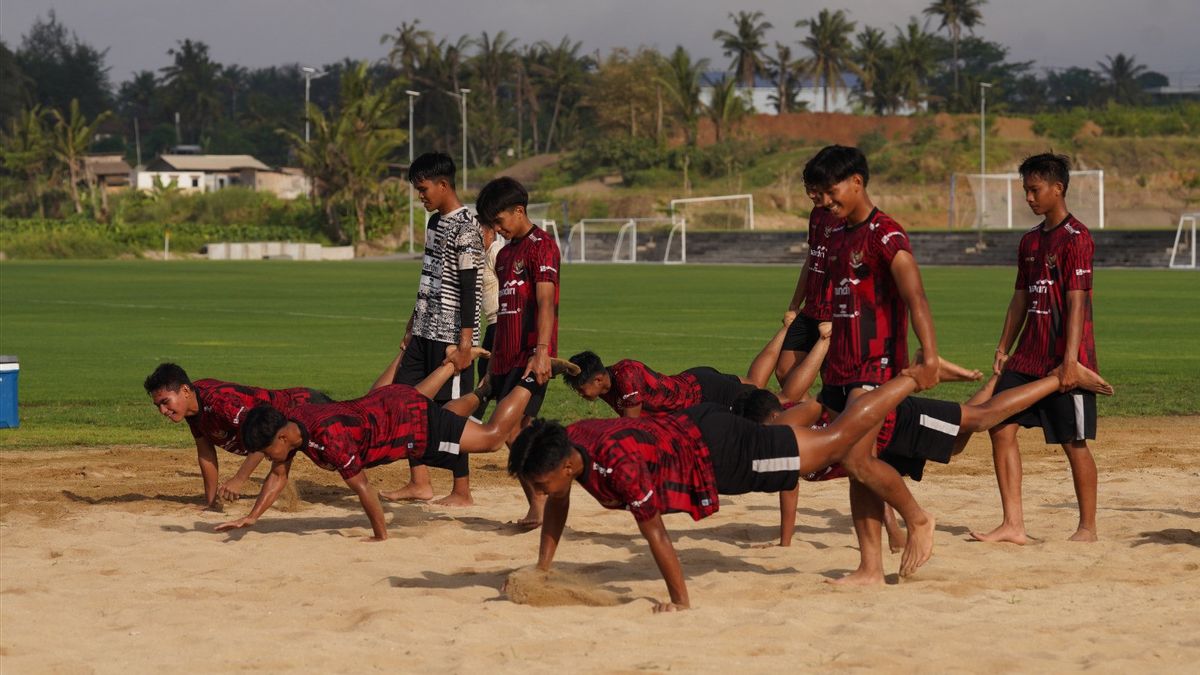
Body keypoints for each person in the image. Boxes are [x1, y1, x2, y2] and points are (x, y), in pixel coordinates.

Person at [511, 369, 939, 612]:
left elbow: (657, 535)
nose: (543, 492)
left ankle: (912, 381)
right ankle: (896, 387)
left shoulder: (619, 467)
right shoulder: (570, 439)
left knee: (840, 443)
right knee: (839, 447)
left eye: (542, 484)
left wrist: (679, 602)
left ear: (566, 465)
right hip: (699, 428)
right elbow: (559, 504)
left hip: (721, 452)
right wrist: (542, 567)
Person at [736, 362, 1112, 582]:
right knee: (958, 442)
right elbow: (864, 475)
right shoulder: (790, 455)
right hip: (879, 443)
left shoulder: (785, 422)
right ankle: (991, 383)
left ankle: (1060, 378)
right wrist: (895, 534)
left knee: (978, 422)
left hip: (892, 420)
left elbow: (822, 409)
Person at [215, 353, 560, 540]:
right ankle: (485, 390)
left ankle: (528, 376)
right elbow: (277, 477)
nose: (266, 459)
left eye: (264, 451)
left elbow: (365, 489)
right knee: (448, 422)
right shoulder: (293, 423)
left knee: (491, 438)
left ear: (281, 438)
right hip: (392, 406)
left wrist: (380, 535)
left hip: (410, 421)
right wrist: (251, 517)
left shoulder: (329, 438)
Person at [804, 144, 945, 581]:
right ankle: (869, 565)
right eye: (821, 195)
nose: (826, 202)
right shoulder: (838, 235)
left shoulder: (886, 235)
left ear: (857, 181)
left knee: (857, 458)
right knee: (852, 464)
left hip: (876, 365)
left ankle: (917, 517)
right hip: (842, 366)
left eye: (831, 192)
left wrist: (930, 352)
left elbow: (915, 295)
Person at [972, 153, 1103, 545]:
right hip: (1027, 357)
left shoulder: (1077, 239)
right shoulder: (1029, 241)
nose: (1029, 197)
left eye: (1035, 189)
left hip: (1065, 360)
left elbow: (1077, 300)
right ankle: (1013, 524)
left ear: (1057, 188)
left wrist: (1070, 362)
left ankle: (1087, 528)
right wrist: (1003, 346)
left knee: (1072, 441)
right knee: (999, 426)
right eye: (1026, 189)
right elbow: (1019, 299)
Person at [387, 152, 485, 507]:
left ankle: (462, 490)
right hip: (424, 330)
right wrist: (412, 322)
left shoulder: (466, 228)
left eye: (424, 189)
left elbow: (469, 286)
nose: (421, 196)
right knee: (404, 401)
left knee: (450, 413)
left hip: (451, 339)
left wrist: (464, 344)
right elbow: (428, 276)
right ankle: (420, 482)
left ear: (443, 185)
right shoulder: (433, 225)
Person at [475, 176, 563, 528]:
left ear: (519, 211)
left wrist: (542, 352)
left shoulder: (542, 246)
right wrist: (492, 366)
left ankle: (542, 500)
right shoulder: (506, 254)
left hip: (531, 358)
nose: (497, 229)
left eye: (499, 221)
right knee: (520, 433)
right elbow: (503, 311)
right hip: (505, 357)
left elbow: (545, 303)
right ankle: (546, 495)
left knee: (509, 431)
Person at [143, 363, 331, 510]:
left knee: (340, 458)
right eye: (158, 405)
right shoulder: (192, 408)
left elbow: (263, 434)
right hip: (286, 428)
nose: (162, 410)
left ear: (184, 391)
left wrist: (239, 479)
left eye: (165, 402)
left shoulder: (220, 404)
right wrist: (211, 503)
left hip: (308, 408)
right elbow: (206, 453)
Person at [563, 321, 799, 418]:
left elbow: (632, 428)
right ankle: (787, 327)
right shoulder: (605, 382)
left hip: (704, 391)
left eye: (580, 389)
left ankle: (812, 406)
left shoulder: (626, 376)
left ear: (596, 380)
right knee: (753, 382)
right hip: (694, 380)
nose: (580, 394)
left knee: (766, 396)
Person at [775, 199, 841, 387]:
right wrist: (795, 305)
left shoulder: (850, 218)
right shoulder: (817, 212)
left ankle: (832, 415)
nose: (811, 194)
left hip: (834, 314)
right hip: (810, 310)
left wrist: (839, 317)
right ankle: (809, 413)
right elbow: (811, 260)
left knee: (831, 379)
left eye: (815, 188)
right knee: (785, 373)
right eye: (808, 189)